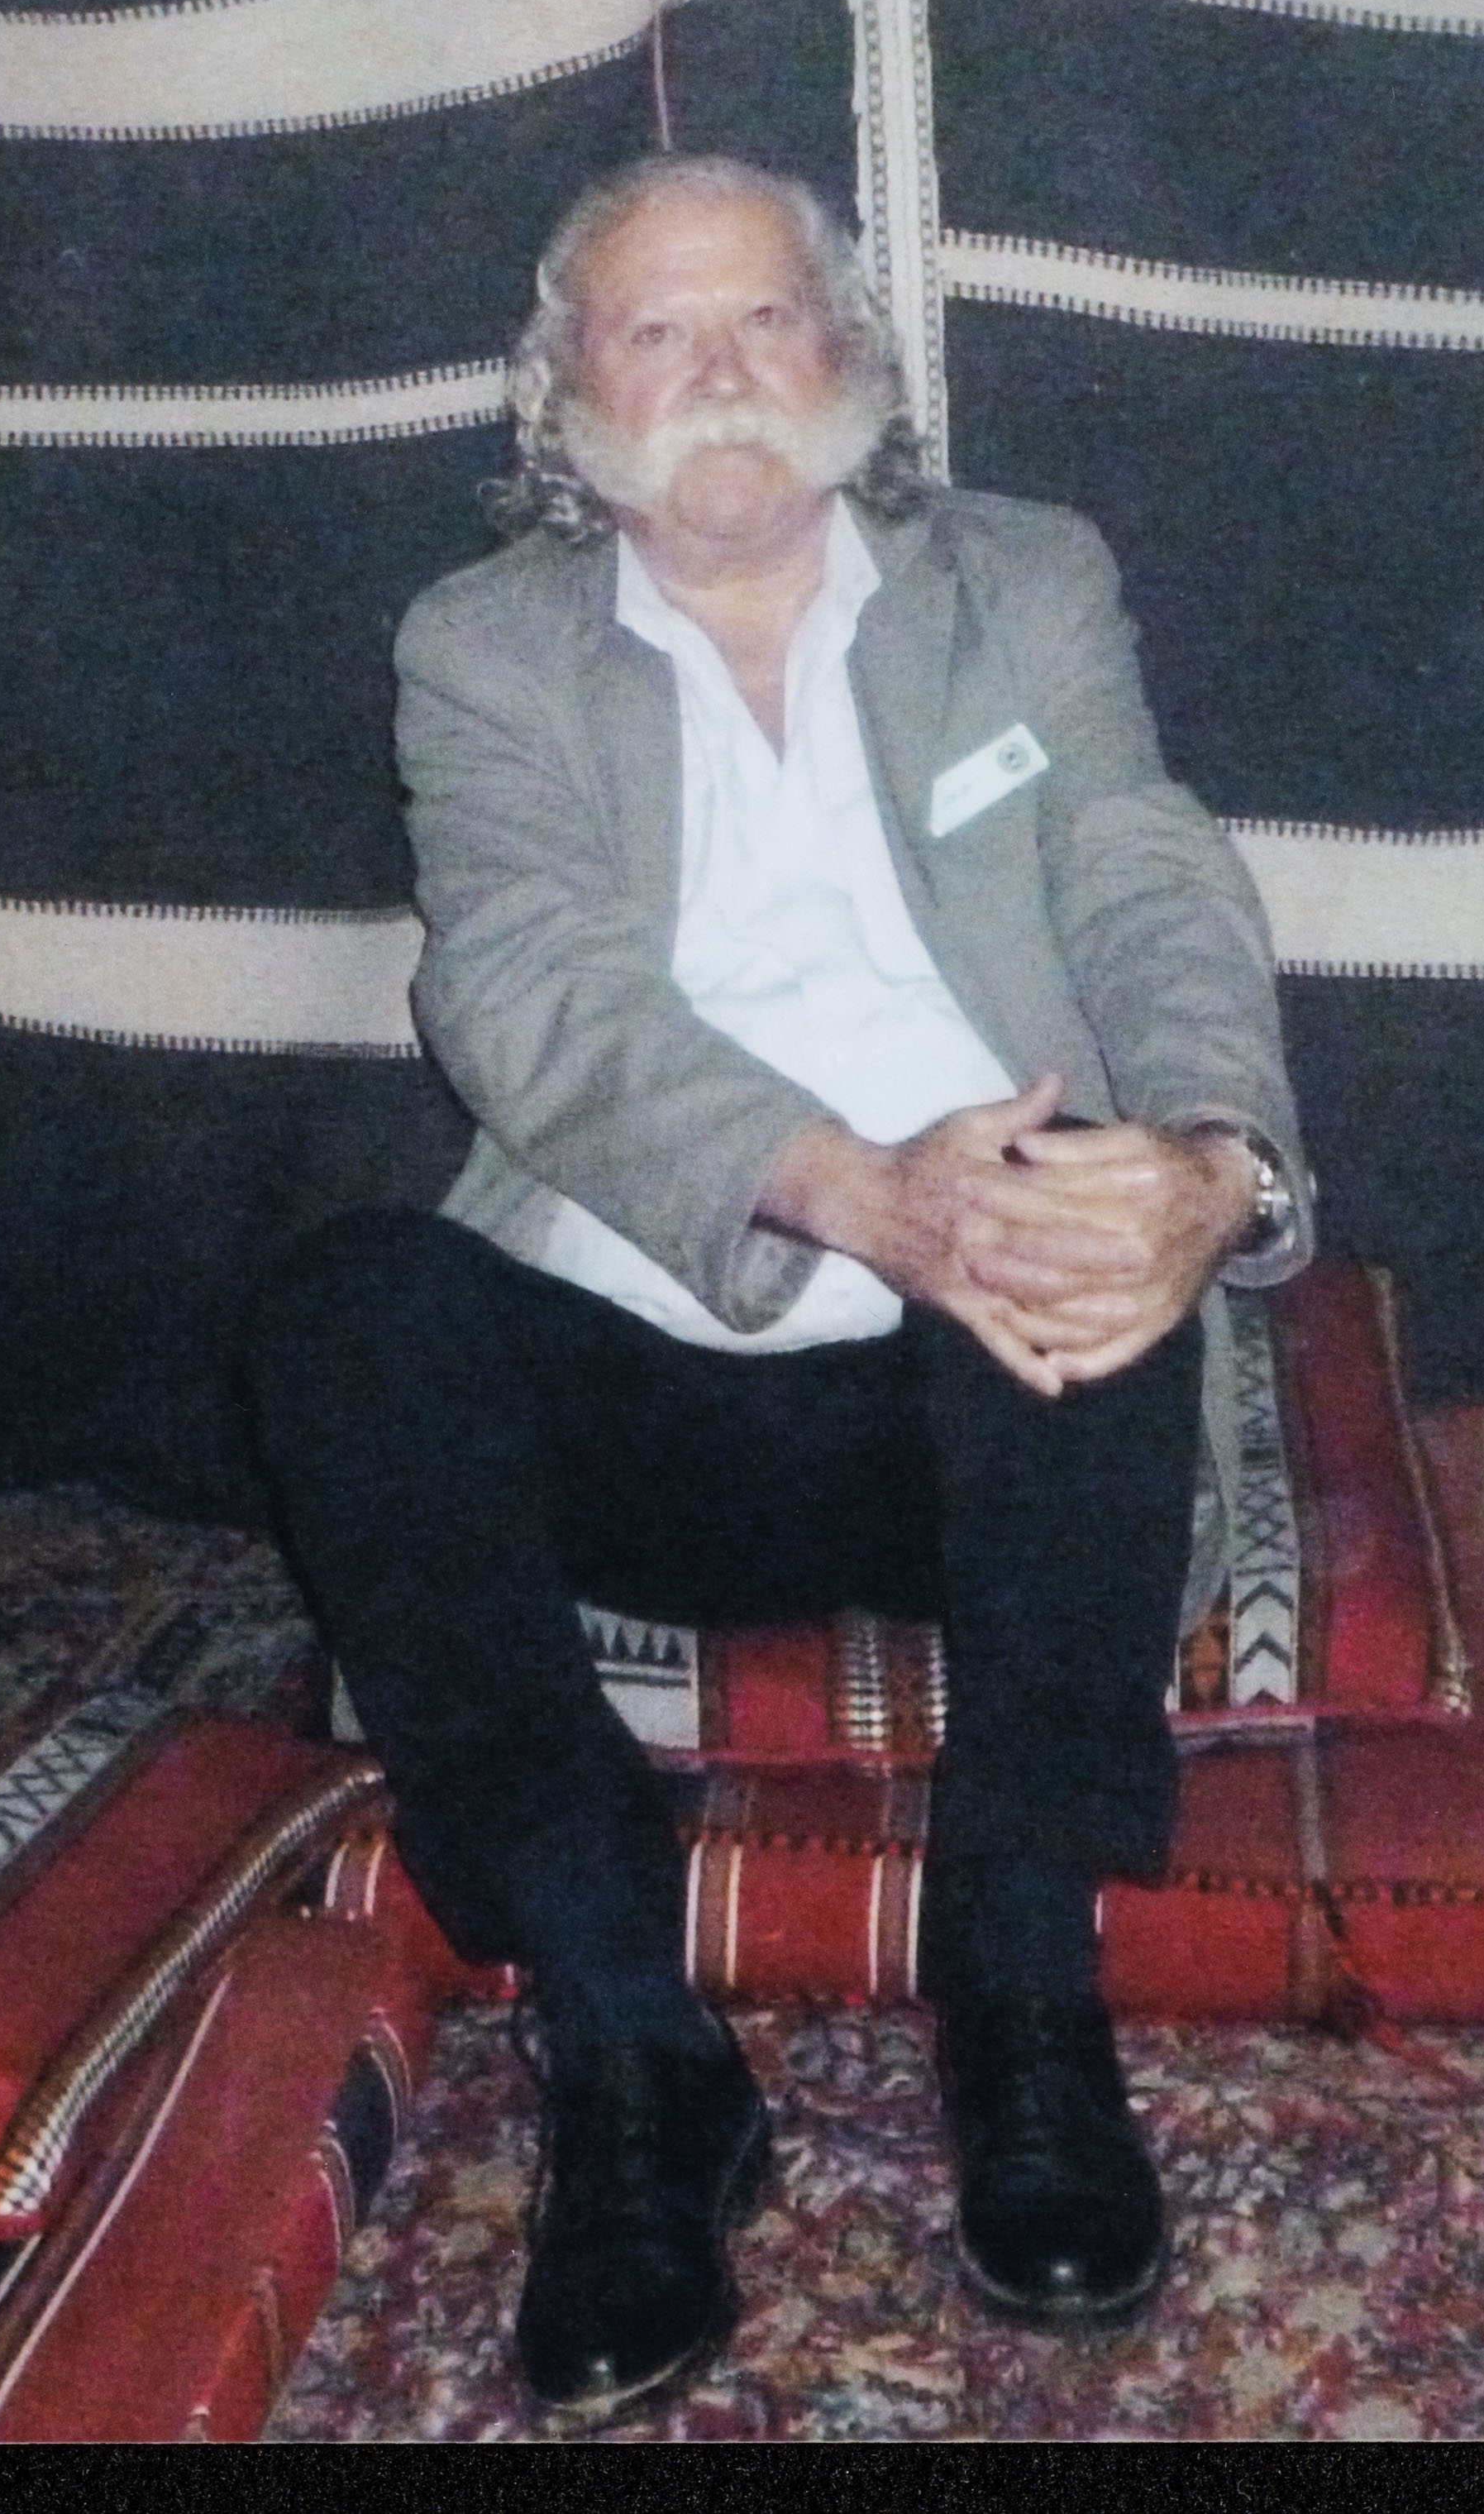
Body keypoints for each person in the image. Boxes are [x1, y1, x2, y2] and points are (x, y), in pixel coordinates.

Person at [246, 153, 1312, 2423]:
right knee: (350, 1314)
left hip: (989, 1386)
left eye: (763, 318)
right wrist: (850, 1190)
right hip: (658, 1348)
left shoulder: (1019, 581)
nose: (719, 372)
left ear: (849, 352)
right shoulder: (483, 646)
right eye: (657, 331)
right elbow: (522, 989)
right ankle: (633, 2055)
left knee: (1065, 1216)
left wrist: (1213, 1162)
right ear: (567, 392)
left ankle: (1024, 2002)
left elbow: (1144, 870)